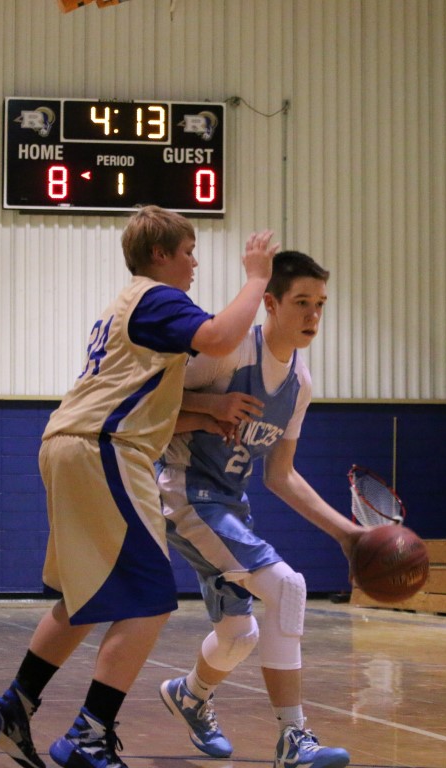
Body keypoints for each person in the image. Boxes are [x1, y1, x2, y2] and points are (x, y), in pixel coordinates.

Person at [0, 208, 277, 768]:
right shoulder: (157, 297)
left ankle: (12, 706)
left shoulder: (126, 306)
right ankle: (89, 734)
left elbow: (149, 403)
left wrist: (207, 414)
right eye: (188, 252)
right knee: (149, 597)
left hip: (74, 442)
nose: (194, 263)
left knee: (87, 597)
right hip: (104, 449)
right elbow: (218, 338)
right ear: (160, 254)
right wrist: (257, 276)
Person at [154, 250, 360, 768]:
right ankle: (293, 737)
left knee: (238, 636)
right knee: (287, 587)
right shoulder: (229, 354)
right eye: (301, 302)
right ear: (270, 303)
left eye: (320, 304)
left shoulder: (300, 384)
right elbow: (147, 410)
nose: (313, 315)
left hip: (229, 504)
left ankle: (189, 695)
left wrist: (348, 534)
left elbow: (280, 475)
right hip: (184, 493)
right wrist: (209, 407)